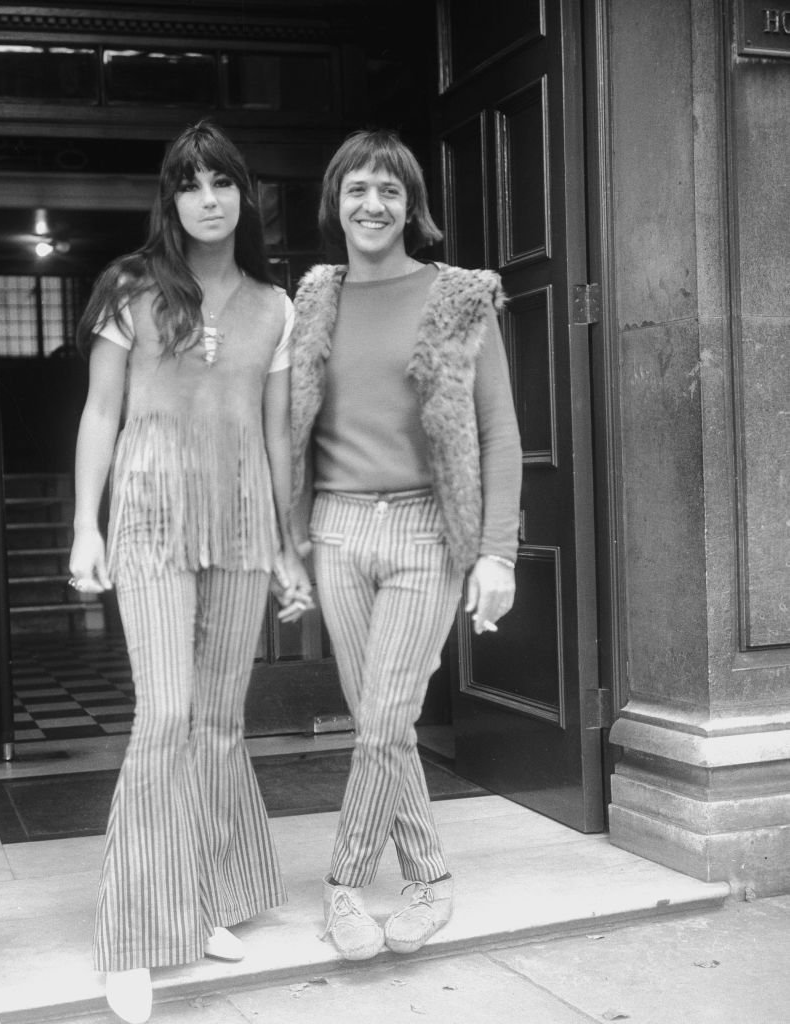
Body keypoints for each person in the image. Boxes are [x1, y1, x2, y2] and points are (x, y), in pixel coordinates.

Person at [68, 121, 311, 1024]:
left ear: (244, 197)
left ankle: (203, 897)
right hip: (151, 514)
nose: (208, 198)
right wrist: (83, 528)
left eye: (223, 183)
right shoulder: (130, 288)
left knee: (216, 720)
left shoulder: (275, 306)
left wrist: (290, 545)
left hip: (245, 515)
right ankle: (133, 933)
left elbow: (277, 432)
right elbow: (101, 413)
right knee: (164, 715)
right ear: (170, 200)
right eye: (191, 184)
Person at [288, 129, 522, 961]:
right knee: (376, 721)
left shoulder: (459, 296)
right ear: (336, 202)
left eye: (389, 190)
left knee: (385, 718)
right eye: (357, 189)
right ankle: (430, 875)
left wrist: (497, 552)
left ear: (411, 205)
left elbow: (498, 429)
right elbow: (293, 426)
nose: (372, 204)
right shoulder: (315, 298)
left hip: (428, 526)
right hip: (339, 529)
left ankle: (344, 883)